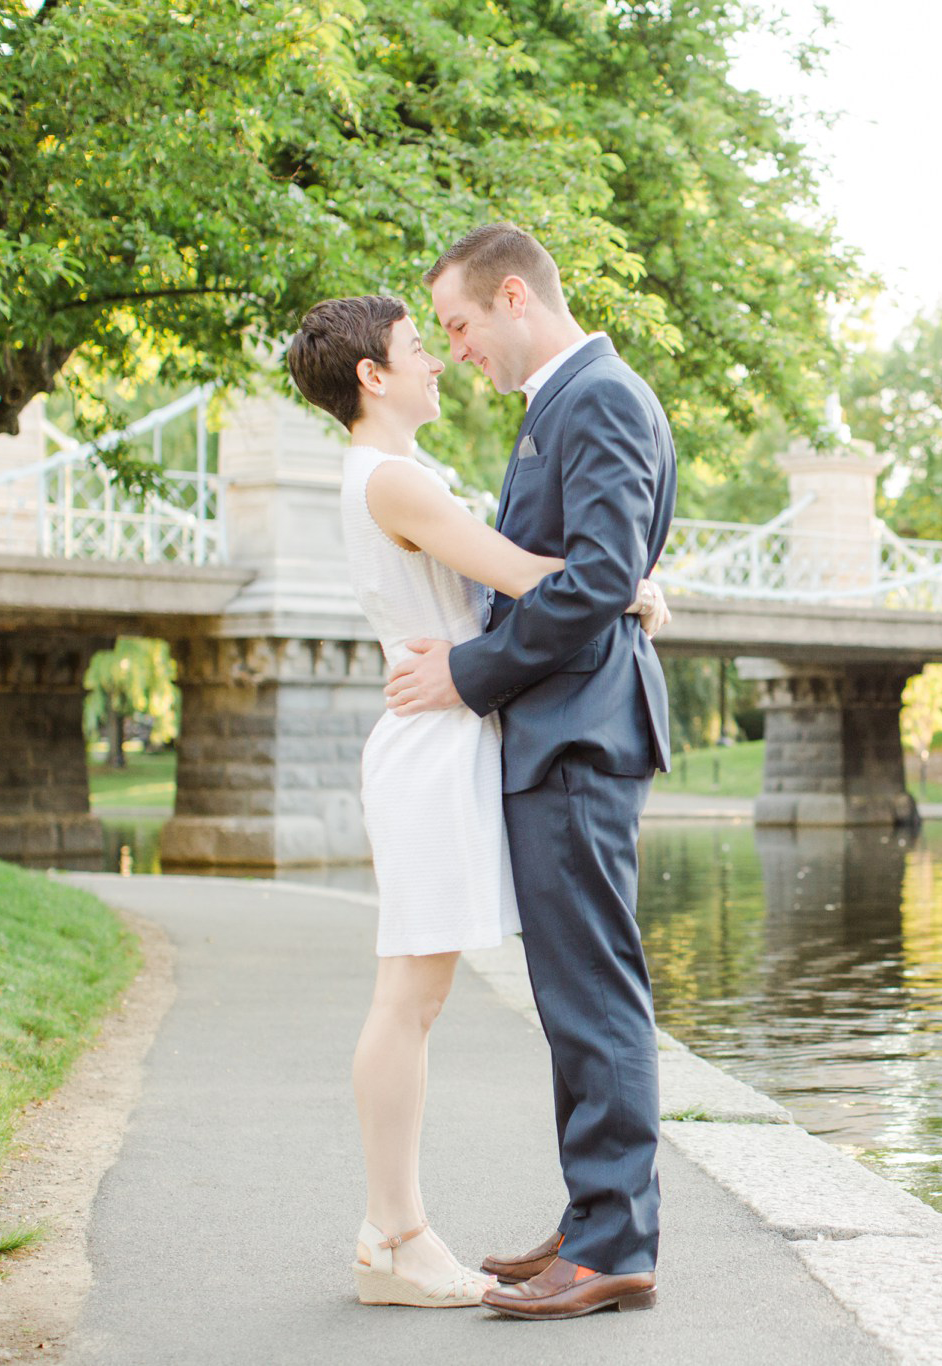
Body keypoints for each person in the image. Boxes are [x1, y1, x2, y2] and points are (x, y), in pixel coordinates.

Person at [283, 293, 669, 1310]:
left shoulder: (392, 475)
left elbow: (508, 586)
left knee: (418, 995)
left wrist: (616, 581)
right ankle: (396, 1235)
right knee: (407, 997)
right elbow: (526, 574)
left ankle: (400, 1231)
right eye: (421, 346)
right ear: (372, 374)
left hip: (447, 739)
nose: (440, 360)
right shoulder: (396, 480)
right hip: (430, 743)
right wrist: (624, 582)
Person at [384, 222, 675, 1321]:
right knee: (573, 992)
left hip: (576, 732)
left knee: (592, 990)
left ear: (513, 297)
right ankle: (595, 1216)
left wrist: (468, 672)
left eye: (457, 324)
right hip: (564, 727)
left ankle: (613, 1241)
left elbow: (598, 576)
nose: (455, 347)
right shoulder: (563, 402)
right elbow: (599, 571)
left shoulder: (593, 396)